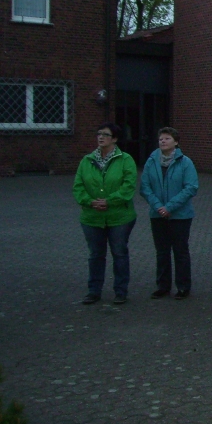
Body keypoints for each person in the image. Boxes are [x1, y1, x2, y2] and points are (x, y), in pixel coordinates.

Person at [73, 123, 137, 305]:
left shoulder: (125, 160)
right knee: (96, 255)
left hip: (119, 217)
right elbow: (78, 186)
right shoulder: (86, 161)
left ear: (114, 139)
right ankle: (94, 291)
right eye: (99, 134)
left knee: (119, 253)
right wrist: (89, 201)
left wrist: (109, 201)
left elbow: (128, 187)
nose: (101, 137)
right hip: (92, 217)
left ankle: (121, 291)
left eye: (105, 134)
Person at [139, 127, 199, 300]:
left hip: (180, 216)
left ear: (176, 142)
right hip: (157, 214)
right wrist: (159, 207)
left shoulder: (185, 162)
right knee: (162, 252)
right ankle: (163, 286)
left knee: (180, 251)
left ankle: (183, 286)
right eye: (160, 139)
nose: (163, 141)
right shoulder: (151, 161)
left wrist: (170, 207)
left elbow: (191, 187)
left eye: (167, 138)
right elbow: (145, 187)